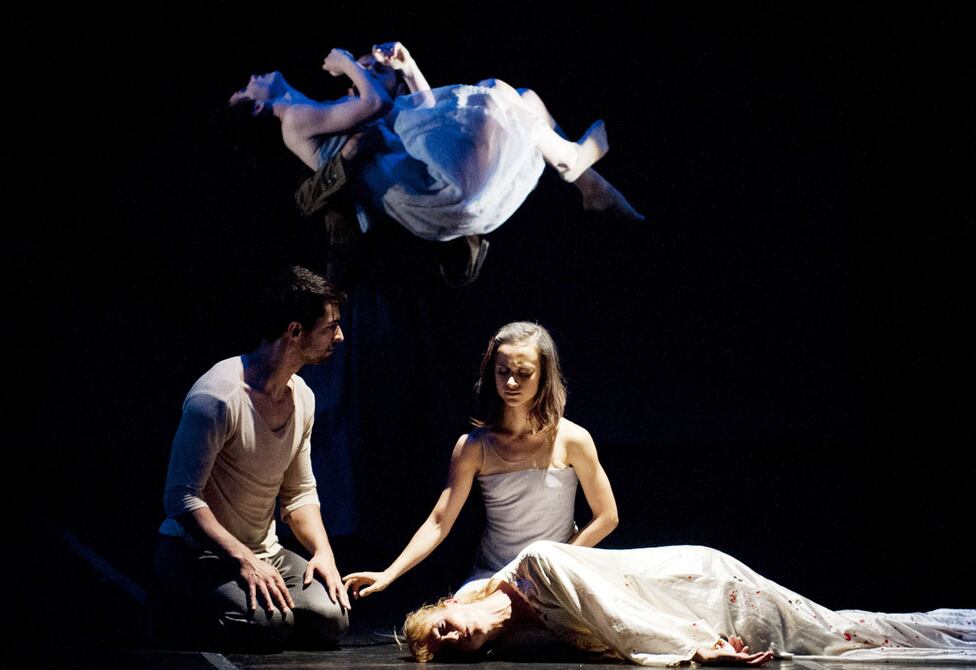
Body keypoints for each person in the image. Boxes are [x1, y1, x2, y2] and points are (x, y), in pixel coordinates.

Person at [403, 541, 976, 666]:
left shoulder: (535, 569)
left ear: (447, 602)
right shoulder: (523, 632)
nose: (455, 639)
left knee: (840, 639)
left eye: (441, 628)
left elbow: (618, 618)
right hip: (691, 612)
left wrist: (687, 651)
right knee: (844, 638)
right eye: (450, 650)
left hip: (704, 590)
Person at [229, 43, 642, 249]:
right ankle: (573, 165)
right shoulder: (294, 119)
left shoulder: (319, 112)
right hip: (425, 192)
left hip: (439, 182)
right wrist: (347, 65)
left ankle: (590, 186)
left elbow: (435, 117)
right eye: (245, 89)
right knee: (493, 95)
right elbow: (380, 104)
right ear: (257, 108)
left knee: (523, 101)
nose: (251, 78)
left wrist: (409, 67)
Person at [342, 321, 619, 599]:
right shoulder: (474, 447)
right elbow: (439, 522)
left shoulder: (572, 439)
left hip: (555, 572)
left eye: (523, 373)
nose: (511, 382)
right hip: (494, 574)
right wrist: (389, 573)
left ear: (544, 375)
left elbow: (607, 516)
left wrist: (556, 562)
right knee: (455, 621)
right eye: (503, 372)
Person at [153, 266, 352, 650]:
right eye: (331, 327)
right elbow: (181, 497)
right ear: (295, 331)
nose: (339, 336)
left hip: (265, 553)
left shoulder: (303, 398)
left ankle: (257, 606)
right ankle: (173, 609)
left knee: (331, 619)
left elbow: (299, 493)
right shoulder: (218, 396)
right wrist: (243, 559)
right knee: (268, 626)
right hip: (198, 555)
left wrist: (323, 552)